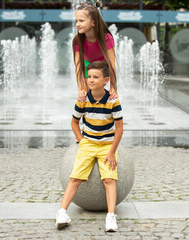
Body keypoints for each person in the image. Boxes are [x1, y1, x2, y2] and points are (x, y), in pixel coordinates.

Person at [55, 61, 123, 232]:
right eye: (89, 77)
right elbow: (74, 122)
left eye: (96, 77)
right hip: (88, 144)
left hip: (107, 145)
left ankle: (111, 216)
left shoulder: (113, 101)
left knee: (109, 179)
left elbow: (120, 128)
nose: (91, 80)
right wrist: (81, 140)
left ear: (105, 80)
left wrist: (113, 152)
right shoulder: (83, 99)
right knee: (75, 178)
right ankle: (62, 212)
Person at [73, 3, 118, 102]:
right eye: (76, 21)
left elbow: (112, 65)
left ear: (93, 22)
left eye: (81, 21)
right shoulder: (77, 40)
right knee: (86, 95)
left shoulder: (106, 38)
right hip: (87, 64)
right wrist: (80, 89)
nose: (77, 24)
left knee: (100, 94)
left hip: (102, 65)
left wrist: (113, 87)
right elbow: (78, 66)